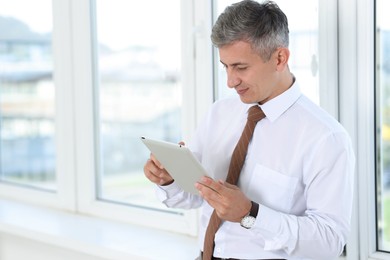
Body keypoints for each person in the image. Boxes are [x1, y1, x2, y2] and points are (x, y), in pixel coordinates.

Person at [143, 0, 355, 259]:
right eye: (226, 67)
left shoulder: (325, 137)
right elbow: (194, 197)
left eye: (241, 67)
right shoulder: (219, 114)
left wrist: (251, 214)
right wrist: (169, 179)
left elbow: (329, 242)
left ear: (280, 58)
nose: (231, 81)